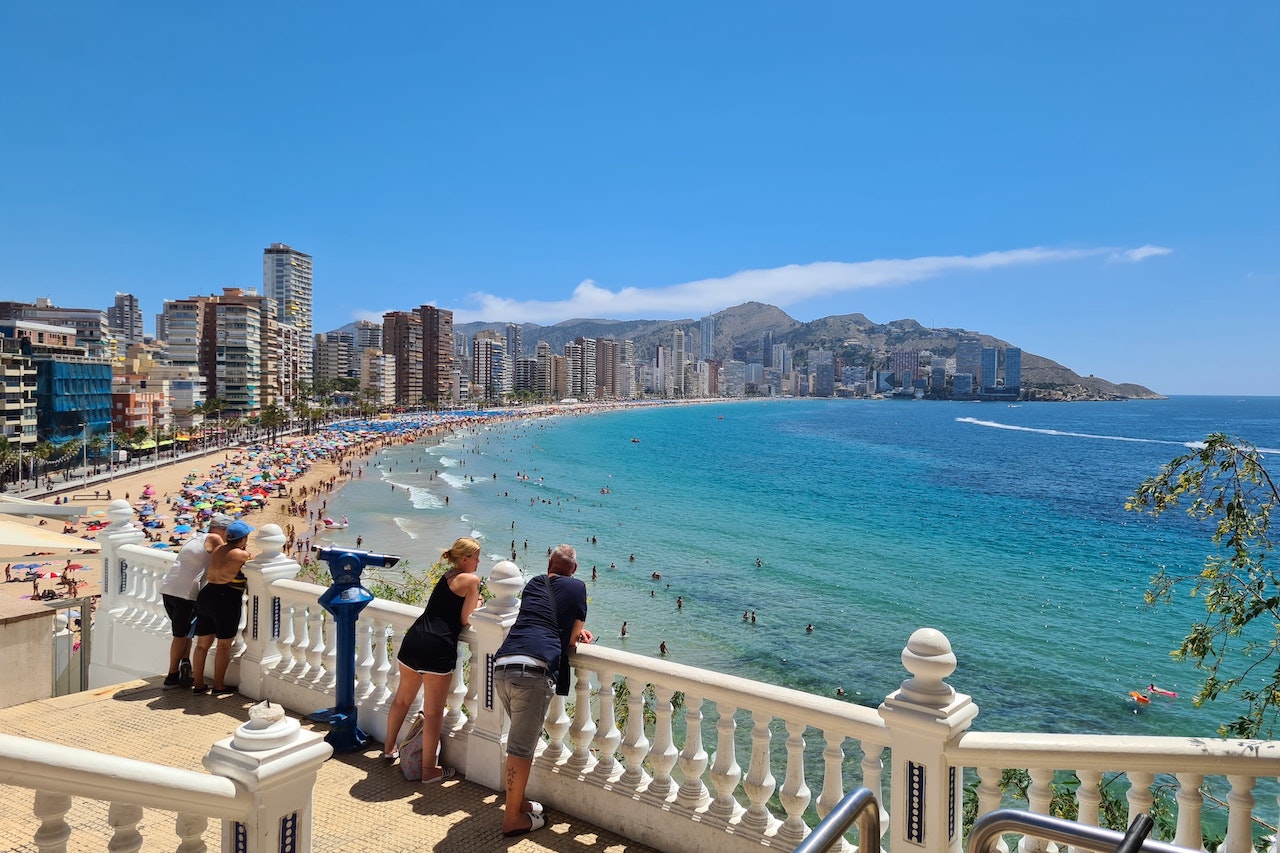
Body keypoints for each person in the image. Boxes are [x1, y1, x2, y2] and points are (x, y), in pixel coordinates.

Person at [493, 544, 591, 837]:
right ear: (574, 569)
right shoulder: (578, 587)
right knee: (521, 750)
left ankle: (518, 802)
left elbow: (538, 618)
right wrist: (579, 634)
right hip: (533, 672)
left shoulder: (535, 582)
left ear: (549, 563)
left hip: (503, 665)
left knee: (522, 742)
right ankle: (512, 819)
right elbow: (573, 637)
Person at [382, 537, 482, 783]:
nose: (479, 562)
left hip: (415, 639)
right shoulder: (471, 580)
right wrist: (478, 603)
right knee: (434, 712)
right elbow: (465, 620)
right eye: (477, 557)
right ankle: (428, 770)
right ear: (466, 558)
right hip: (438, 646)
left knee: (402, 700)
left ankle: (388, 748)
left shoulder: (448, 574)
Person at [159, 513, 231, 688]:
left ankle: (185, 663)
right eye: (228, 532)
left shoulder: (196, 537)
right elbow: (226, 556)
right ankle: (172, 675)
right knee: (180, 635)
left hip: (169, 589)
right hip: (184, 593)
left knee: (185, 632)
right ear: (222, 530)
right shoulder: (214, 538)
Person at [190, 520, 254, 695]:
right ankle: (219, 686)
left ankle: (198, 684)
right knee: (224, 645)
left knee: (202, 645)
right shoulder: (242, 555)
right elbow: (255, 563)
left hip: (207, 594)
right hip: (225, 598)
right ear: (243, 539)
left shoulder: (218, 550)